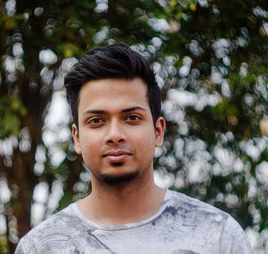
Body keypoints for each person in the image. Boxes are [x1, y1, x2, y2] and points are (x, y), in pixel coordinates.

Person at [15, 43, 252, 254]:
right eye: (97, 120)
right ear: (77, 138)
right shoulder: (41, 246)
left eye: (131, 118)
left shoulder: (217, 236)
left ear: (158, 131)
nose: (115, 135)